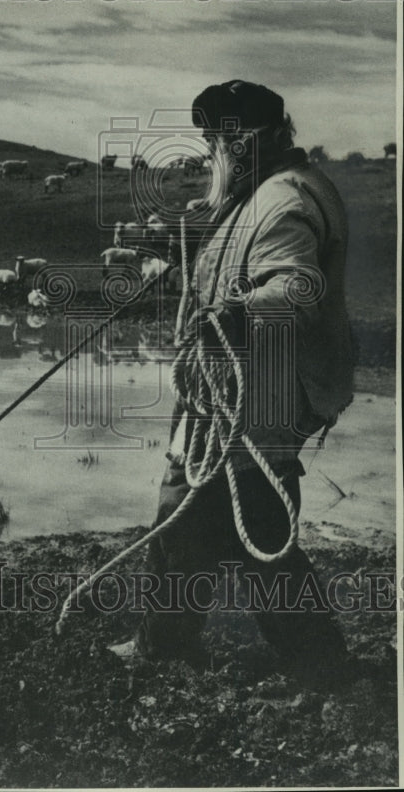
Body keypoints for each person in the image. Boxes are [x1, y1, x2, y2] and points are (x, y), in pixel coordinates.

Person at [112, 80, 355, 681]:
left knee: (236, 520)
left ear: (242, 143)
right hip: (236, 386)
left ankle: (312, 660)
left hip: (257, 389)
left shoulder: (282, 200)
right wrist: (189, 246)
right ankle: (181, 645)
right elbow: (247, 260)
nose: (210, 153)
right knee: (208, 514)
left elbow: (294, 282)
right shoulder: (262, 194)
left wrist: (238, 310)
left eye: (216, 141)